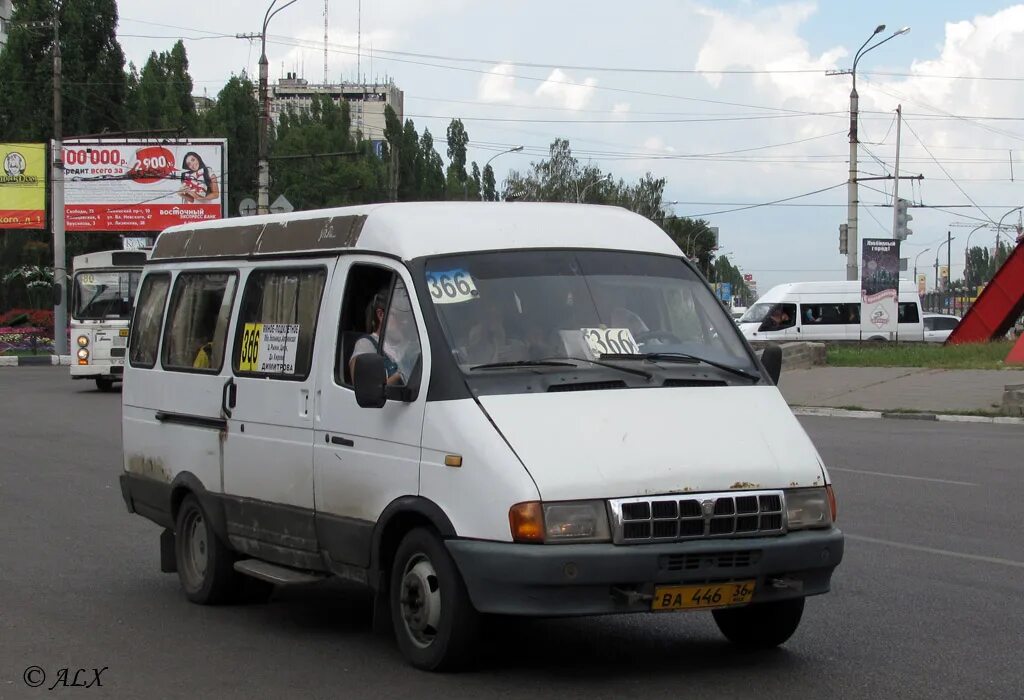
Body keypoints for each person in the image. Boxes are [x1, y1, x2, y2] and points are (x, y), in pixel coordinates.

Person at [349, 288, 412, 385]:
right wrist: (400, 376)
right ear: (381, 315)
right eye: (400, 316)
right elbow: (366, 388)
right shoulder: (366, 345)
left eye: (407, 316)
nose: (405, 321)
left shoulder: (414, 345)